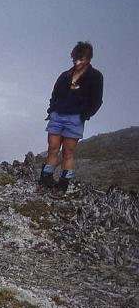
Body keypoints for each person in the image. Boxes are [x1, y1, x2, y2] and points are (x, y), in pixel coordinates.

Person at [39, 41, 104, 194]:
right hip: (57, 116)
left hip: (75, 119)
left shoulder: (95, 76)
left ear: (88, 59)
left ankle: (63, 185)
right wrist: (52, 110)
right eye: (75, 58)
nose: (77, 62)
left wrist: (84, 115)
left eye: (81, 59)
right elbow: (55, 94)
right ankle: (45, 180)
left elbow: (97, 100)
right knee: (52, 149)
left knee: (68, 152)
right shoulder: (65, 75)